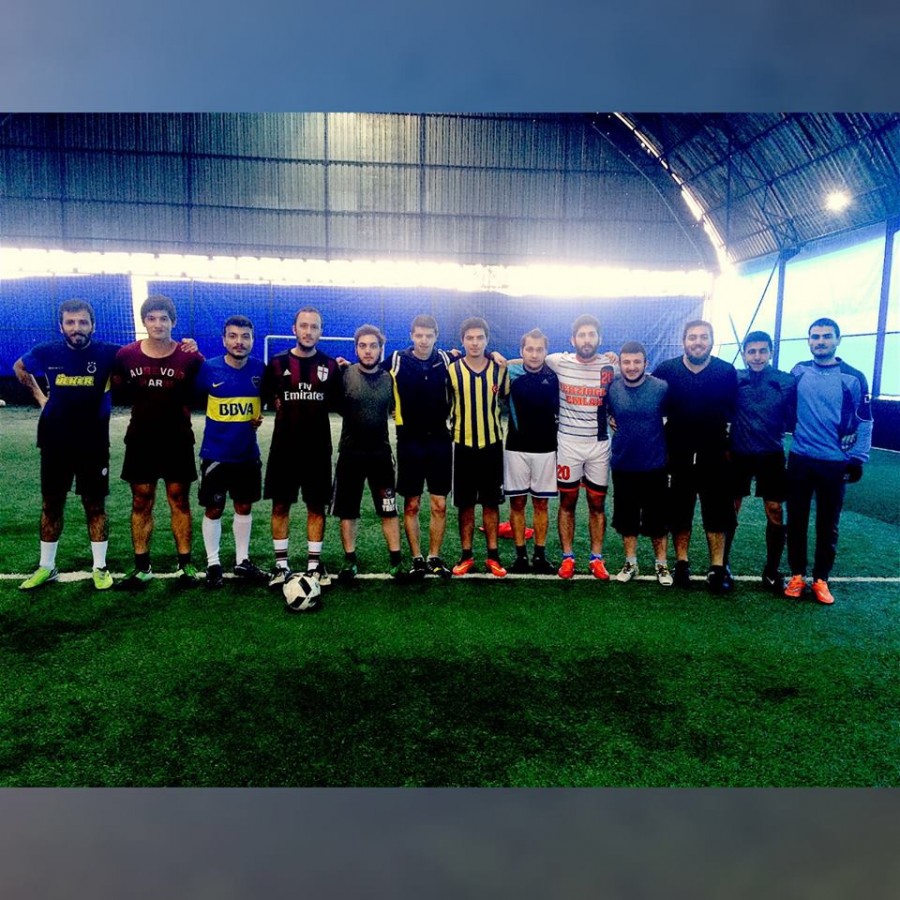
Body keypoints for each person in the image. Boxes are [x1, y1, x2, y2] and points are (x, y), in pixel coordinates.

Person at [14, 299, 121, 591]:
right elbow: (19, 367)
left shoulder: (110, 353)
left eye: (83, 322)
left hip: (93, 442)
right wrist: (40, 398)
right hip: (54, 440)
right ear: (61, 326)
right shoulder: (47, 351)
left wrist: (185, 346)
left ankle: (100, 568)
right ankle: (47, 567)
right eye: (70, 322)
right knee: (51, 503)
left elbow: (145, 357)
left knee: (94, 504)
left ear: (92, 325)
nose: (77, 328)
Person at [111, 295, 205, 587]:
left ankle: (185, 565)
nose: (158, 324)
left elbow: (207, 387)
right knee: (141, 500)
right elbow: (116, 387)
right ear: (144, 322)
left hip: (178, 440)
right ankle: (142, 567)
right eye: (151, 318)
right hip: (140, 441)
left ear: (173, 322)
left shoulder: (190, 356)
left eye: (164, 318)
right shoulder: (126, 355)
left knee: (179, 499)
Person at [783, 317, 873, 605]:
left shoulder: (853, 377)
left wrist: (857, 458)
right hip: (800, 458)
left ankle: (821, 579)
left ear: (837, 340)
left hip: (835, 463)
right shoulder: (798, 371)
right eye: (815, 336)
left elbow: (865, 419)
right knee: (796, 521)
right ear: (809, 341)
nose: (820, 341)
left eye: (826, 336)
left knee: (828, 524)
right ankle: (797, 575)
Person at [653, 319, 738, 594]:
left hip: (715, 455)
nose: (698, 342)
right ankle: (682, 563)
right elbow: (648, 399)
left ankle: (717, 568)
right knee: (680, 512)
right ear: (684, 342)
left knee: (717, 513)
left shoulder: (726, 372)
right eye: (692, 337)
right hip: (677, 454)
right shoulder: (666, 370)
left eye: (703, 337)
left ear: (711, 341)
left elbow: (736, 412)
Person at [262, 307, 343, 589]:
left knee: (316, 506)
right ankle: (281, 566)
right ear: (294, 329)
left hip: (317, 449)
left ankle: (313, 566)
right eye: (304, 326)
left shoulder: (330, 366)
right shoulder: (276, 364)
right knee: (280, 505)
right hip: (283, 448)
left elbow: (340, 402)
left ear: (321, 332)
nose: (308, 332)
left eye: (314, 327)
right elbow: (263, 397)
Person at [542, 314, 617, 580]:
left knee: (597, 502)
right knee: (568, 501)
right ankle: (568, 557)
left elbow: (634, 377)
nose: (587, 340)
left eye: (591, 335)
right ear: (573, 340)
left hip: (599, 445)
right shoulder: (558, 361)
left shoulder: (611, 366)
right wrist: (496, 358)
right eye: (582, 335)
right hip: (568, 444)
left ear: (599, 338)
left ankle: (596, 558)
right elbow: (531, 359)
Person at [195, 316, 268, 589]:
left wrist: (258, 417)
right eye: (233, 336)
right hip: (216, 454)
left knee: (244, 506)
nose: (239, 342)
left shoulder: (260, 370)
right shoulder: (209, 369)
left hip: (247, 454)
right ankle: (213, 563)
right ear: (224, 339)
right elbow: (192, 397)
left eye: (245, 336)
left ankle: (242, 560)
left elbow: (264, 402)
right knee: (214, 508)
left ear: (252, 340)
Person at [332, 325, 404, 581]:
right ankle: (349, 560)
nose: (368, 350)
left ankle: (396, 561)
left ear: (381, 349)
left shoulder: (389, 378)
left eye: (373, 346)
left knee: (388, 509)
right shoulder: (345, 374)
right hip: (350, 454)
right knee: (348, 510)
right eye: (362, 346)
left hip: (380, 455)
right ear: (356, 349)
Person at [727, 330, 797, 594]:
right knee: (730, 509)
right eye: (752, 352)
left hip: (771, 455)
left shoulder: (786, 381)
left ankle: (771, 570)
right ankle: (722, 564)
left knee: (775, 510)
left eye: (762, 351)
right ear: (745, 354)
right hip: (739, 454)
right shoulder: (734, 379)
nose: (757, 357)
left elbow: (798, 414)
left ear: (771, 353)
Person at [387, 314, 454, 579]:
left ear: (436, 336)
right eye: (419, 335)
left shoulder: (446, 359)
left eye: (429, 336)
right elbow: (370, 370)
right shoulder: (397, 359)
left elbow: (476, 361)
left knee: (439, 504)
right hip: (409, 442)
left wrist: (496, 356)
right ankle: (417, 558)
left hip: (440, 441)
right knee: (411, 504)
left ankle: (434, 557)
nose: (424, 340)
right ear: (411, 336)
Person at [605, 341, 674, 587]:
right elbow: (608, 412)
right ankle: (630, 563)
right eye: (626, 362)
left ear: (646, 363)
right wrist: (610, 417)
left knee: (658, 520)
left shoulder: (661, 388)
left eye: (637, 362)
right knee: (627, 519)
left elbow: (675, 416)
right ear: (620, 364)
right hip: (623, 465)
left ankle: (661, 564)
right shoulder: (612, 388)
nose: (631, 367)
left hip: (655, 466)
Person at [447, 316, 510, 577]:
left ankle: (493, 556)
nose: (475, 343)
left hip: (491, 445)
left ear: (487, 340)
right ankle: (467, 555)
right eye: (470, 338)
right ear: (462, 341)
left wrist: (498, 356)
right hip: (462, 446)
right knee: (465, 504)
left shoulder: (499, 369)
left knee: (491, 503)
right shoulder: (451, 370)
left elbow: (507, 395)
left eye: (479, 338)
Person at [503, 329, 559, 575]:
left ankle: (539, 555)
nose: (534, 354)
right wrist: (498, 358)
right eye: (529, 349)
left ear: (546, 352)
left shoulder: (555, 375)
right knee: (517, 503)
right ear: (521, 351)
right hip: (516, 448)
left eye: (539, 350)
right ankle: (520, 557)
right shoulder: (510, 373)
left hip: (546, 449)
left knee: (541, 504)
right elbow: (498, 363)